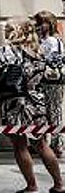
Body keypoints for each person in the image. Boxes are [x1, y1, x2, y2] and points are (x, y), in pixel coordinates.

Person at [0, 17, 65, 193]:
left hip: (15, 103)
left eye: (7, 28)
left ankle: (32, 187)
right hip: (37, 101)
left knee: (20, 145)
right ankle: (60, 185)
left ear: (14, 31)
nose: (5, 32)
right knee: (41, 144)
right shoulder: (38, 50)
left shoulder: (6, 50)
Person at [35, 10, 65, 157]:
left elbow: (52, 59)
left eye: (41, 23)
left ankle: (57, 144)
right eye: (38, 23)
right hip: (46, 81)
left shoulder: (52, 41)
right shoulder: (42, 40)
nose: (39, 26)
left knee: (54, 112)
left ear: (49, 24)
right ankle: (50, 143)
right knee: (48, 112)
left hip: (53, 81)